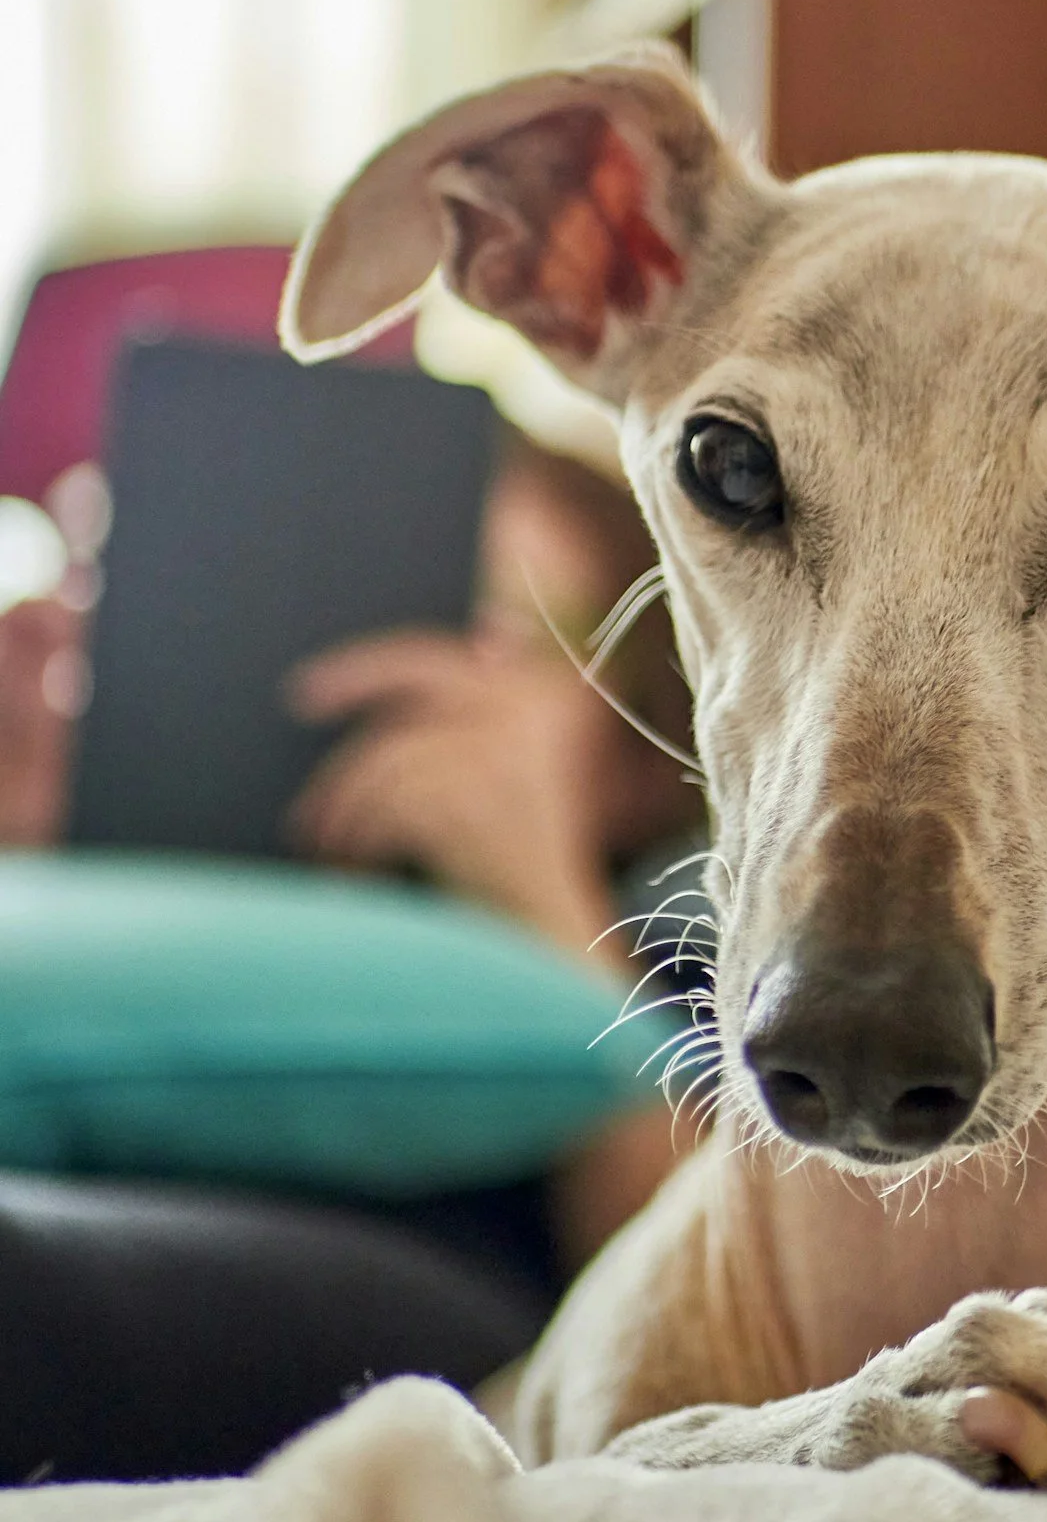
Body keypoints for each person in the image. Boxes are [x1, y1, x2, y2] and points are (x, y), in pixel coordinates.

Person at [0, 428, 708, 1269]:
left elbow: (755, 1318)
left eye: (469, 622)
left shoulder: (690, 968)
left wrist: (547, 910)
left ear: (644, 756)